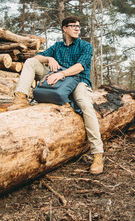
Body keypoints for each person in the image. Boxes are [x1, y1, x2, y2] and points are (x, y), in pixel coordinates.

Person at [9, 16, 104, 174]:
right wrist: (49, 58)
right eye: (72, 25)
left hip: (78, 81)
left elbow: (80, 66)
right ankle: (20, 98)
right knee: (31, 62)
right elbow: (36, 58)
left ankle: (98, 154)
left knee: (86, 105)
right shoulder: (57, 46)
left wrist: (62, 74)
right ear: (64, 29)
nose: (76, 28)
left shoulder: (85, 46)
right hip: (56, 81)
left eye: (78, 26)